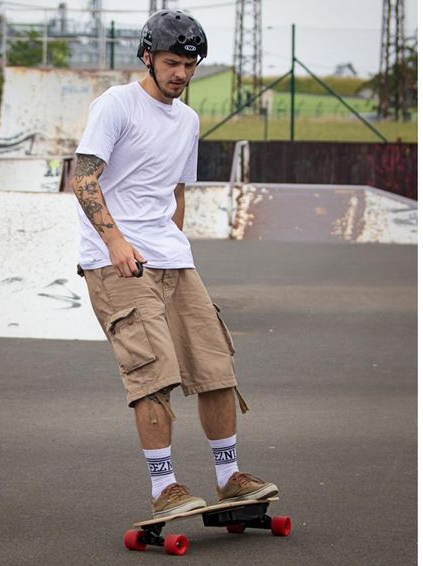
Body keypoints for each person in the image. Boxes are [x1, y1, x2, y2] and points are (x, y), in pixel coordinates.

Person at [71, 9, 278, 520]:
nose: (181, 73)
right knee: (152, 373)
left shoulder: (188, 120)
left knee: (215, 366)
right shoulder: (116, 105)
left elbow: (175, 189)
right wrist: (116, 240)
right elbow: (82, 179)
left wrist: (176, 245)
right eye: (172, 62)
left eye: (190, 64)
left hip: (172, 260)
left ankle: (230, 478)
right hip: (115, 260)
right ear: (147, 56)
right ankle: (165, 486)